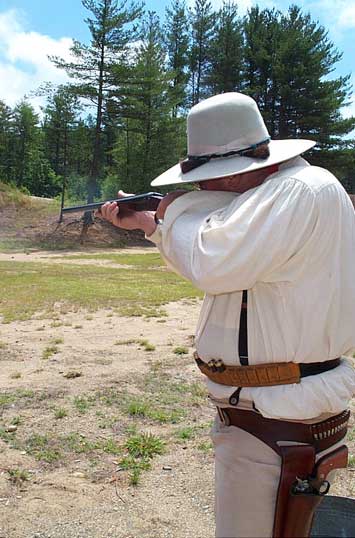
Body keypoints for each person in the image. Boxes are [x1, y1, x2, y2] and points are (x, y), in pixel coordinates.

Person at [98, 93, 355, 538]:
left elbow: (212, 263)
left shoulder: (294, 190)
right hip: (277, 408)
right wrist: (150, 225)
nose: (204, 189)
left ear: (238, 172)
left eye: (209, 179)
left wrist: (170, 209)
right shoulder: (293, 193)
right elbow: (224, 266)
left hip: (277, 413)